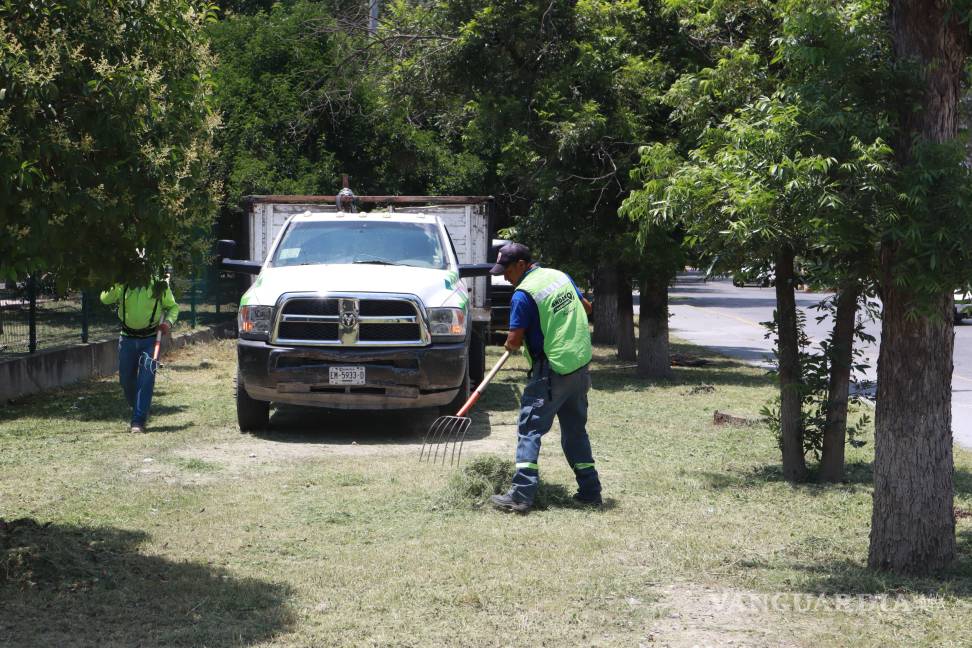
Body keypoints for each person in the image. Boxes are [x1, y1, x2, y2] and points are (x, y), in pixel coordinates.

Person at [488, 243, 602, 513]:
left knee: (530, 430)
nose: (504, 277)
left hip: (551, 371)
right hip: (578, 365)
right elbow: (585, 308)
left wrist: (510, 344)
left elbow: (514, 341)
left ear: (521, 265)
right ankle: (590, 492)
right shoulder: (559, 276)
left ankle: (520, 495)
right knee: (575, 431)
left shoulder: (523, 294)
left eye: (506, 270)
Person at [100, 275, 178, 433]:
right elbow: (104, 299)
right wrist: (115, 280)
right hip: (127, 339)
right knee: (126, 380)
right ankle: (139, 406)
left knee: (146, 380)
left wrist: (167, 323)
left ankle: (138, 420)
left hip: (150, 340)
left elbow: (173, 307)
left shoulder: (158, 284)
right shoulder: (122, 283)